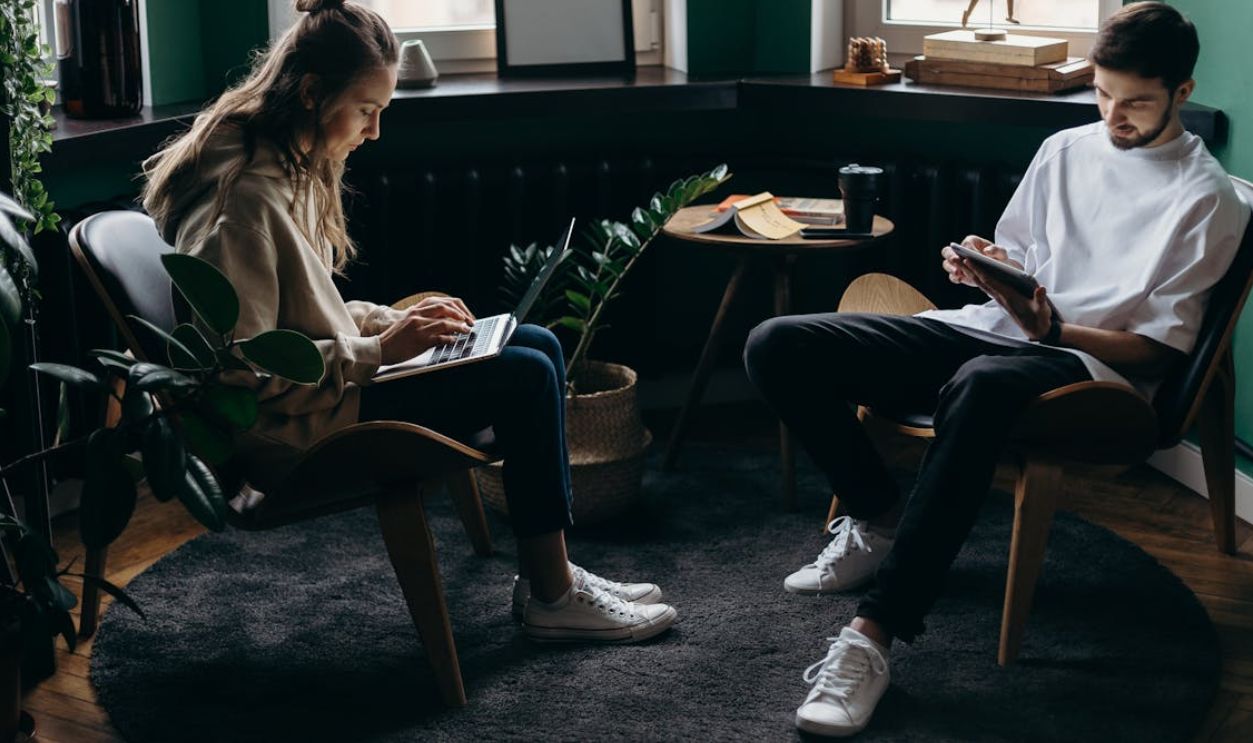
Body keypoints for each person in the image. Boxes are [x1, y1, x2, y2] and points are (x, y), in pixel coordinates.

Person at [743, 2, 1248, 737]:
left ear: (1181, 90)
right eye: (1104, 95)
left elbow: (1158, 353)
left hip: (1087, 371)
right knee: (775, 343)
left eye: (1135, 101)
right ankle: (877, 513)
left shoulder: (1204, 198)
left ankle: (873, 636)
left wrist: (1054, 328)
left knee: (976, 384)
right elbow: (1024, 260)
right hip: (994, 334)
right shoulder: (1065, 149)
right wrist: (986, 267)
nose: (1114, 116)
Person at [140, 0, 676, 644]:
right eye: (367, 110)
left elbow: (305, 312)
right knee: (526, 374)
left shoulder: (281, 165)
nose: (374, 133)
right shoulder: (243, 204)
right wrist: (378, 349)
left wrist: (394, 320)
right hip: (298, 430)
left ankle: (550, 573)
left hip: (332, 394)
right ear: (312, 93)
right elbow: (244, 374)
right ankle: (553, 594)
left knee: (533, 344)